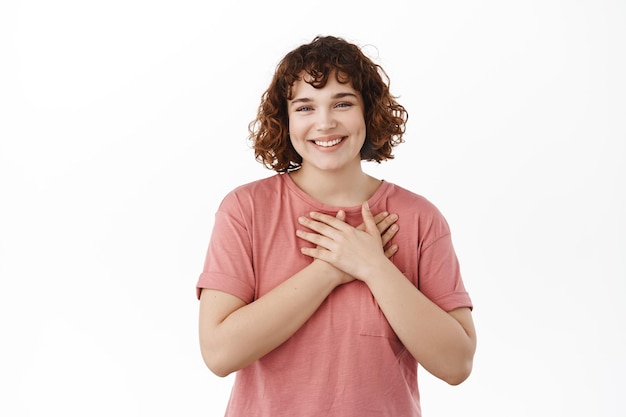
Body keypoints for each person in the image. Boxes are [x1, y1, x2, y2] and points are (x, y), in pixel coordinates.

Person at [196, 35, 476, 417]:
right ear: (286, 118)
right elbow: (219, 353)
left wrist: (374, 267)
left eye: (342, 103)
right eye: (305, 107)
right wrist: (329, 270)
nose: (324, 123)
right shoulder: (245, 210)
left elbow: (457, 364)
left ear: (368, 111)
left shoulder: (419, 218)